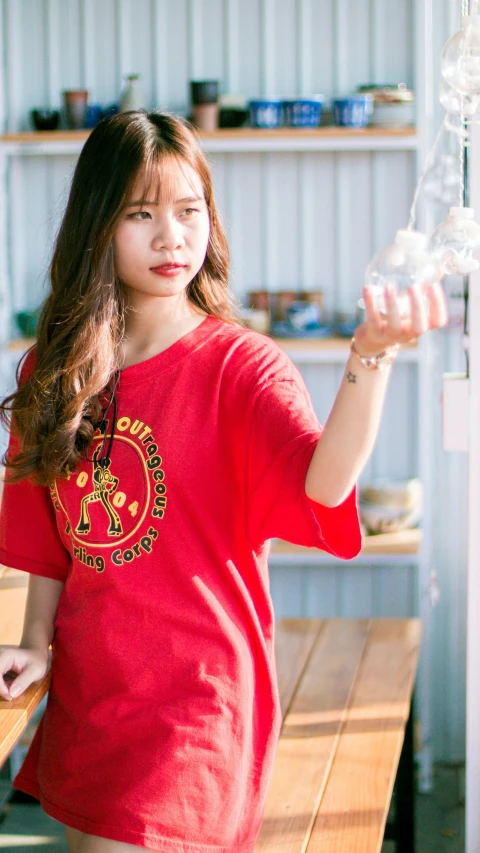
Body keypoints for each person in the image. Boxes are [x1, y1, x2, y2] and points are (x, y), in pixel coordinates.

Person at [0, 111, 447, 853]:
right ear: (97, 226)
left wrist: (372, 358)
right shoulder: (55, 372)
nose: (172, 235)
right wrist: (35, 644)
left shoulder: (241, 368)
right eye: (141, 214)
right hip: (95, 702)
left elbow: (324, 485)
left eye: (189, 209)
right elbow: (51, 540)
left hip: (199, 708)